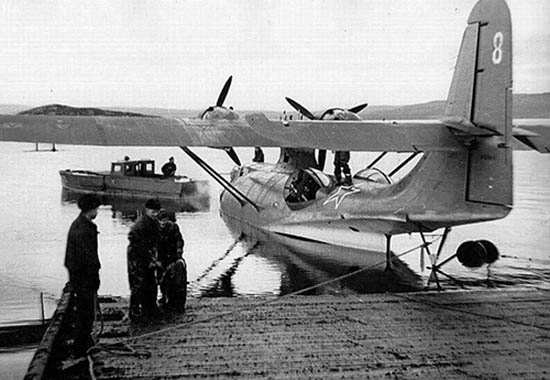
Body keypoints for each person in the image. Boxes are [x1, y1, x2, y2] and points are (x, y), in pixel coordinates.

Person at [64, 194, 101, 357]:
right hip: (83, 277)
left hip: (79, 276)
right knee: (85, 313)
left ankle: (84, 342)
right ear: (90, 209)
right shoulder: (83, 230)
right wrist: (94, 277)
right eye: (96, 209)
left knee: (86, 312)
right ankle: (80, 348)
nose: (97, 212)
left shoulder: (81, 225)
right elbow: (88, 258)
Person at [127, 198, 161, 320]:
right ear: (147, 210)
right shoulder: (140, 225)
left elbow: (155, 242)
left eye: (157, 212)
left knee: (151, 282)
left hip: (149, 255)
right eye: (153, 212)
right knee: (138, 283)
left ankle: (150, 307)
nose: (155, 214)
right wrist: (149, 260)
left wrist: (154, 258)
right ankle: (134, 310)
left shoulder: (155, 223)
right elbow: (138, 245)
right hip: (137, 258)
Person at [156, 209, 186, 311]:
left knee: (174, 279)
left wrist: (179, 253)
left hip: (172, 256)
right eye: (161, 221)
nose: (163, 223)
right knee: (162, 279)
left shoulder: (173, 227)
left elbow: (179, 241)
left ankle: (174, 301)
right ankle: (165, 297)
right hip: (161, 257)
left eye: (165, 220)